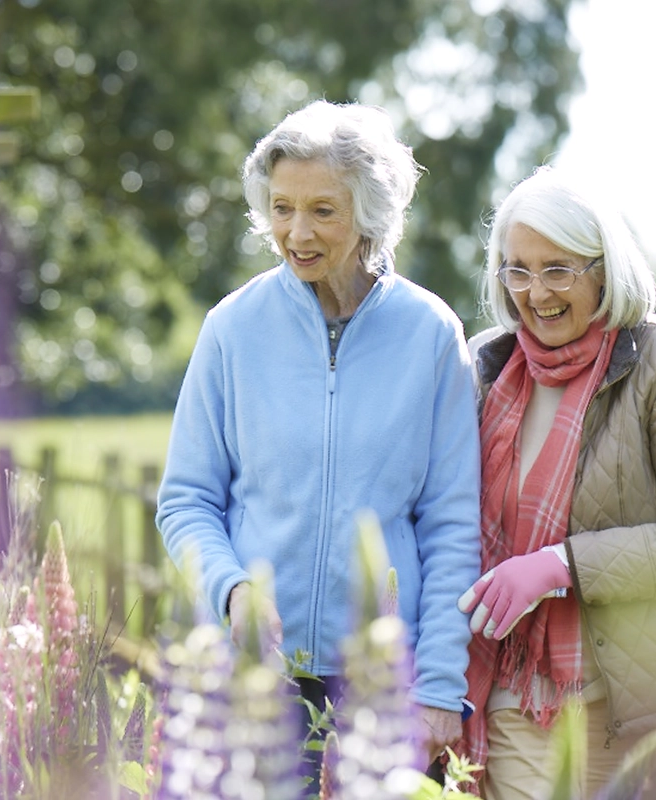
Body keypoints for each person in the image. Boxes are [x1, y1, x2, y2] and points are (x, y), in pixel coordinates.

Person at [155, 100, 483, 775]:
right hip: (254, 677)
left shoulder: (430, 334)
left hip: (383, 683)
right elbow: (186, 499)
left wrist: (442, 683)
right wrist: (232, 589)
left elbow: (452, 523)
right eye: (281, 208)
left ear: (370, 213)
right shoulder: (232, 328)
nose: (296, 232)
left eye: (322, 211)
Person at [457, 166, 656, 800]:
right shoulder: (488, 367)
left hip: (641, 710)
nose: (534, 292)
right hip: (514, 703)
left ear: (605, 268)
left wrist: (559, 565)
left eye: (558, 269)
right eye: (517, 269)